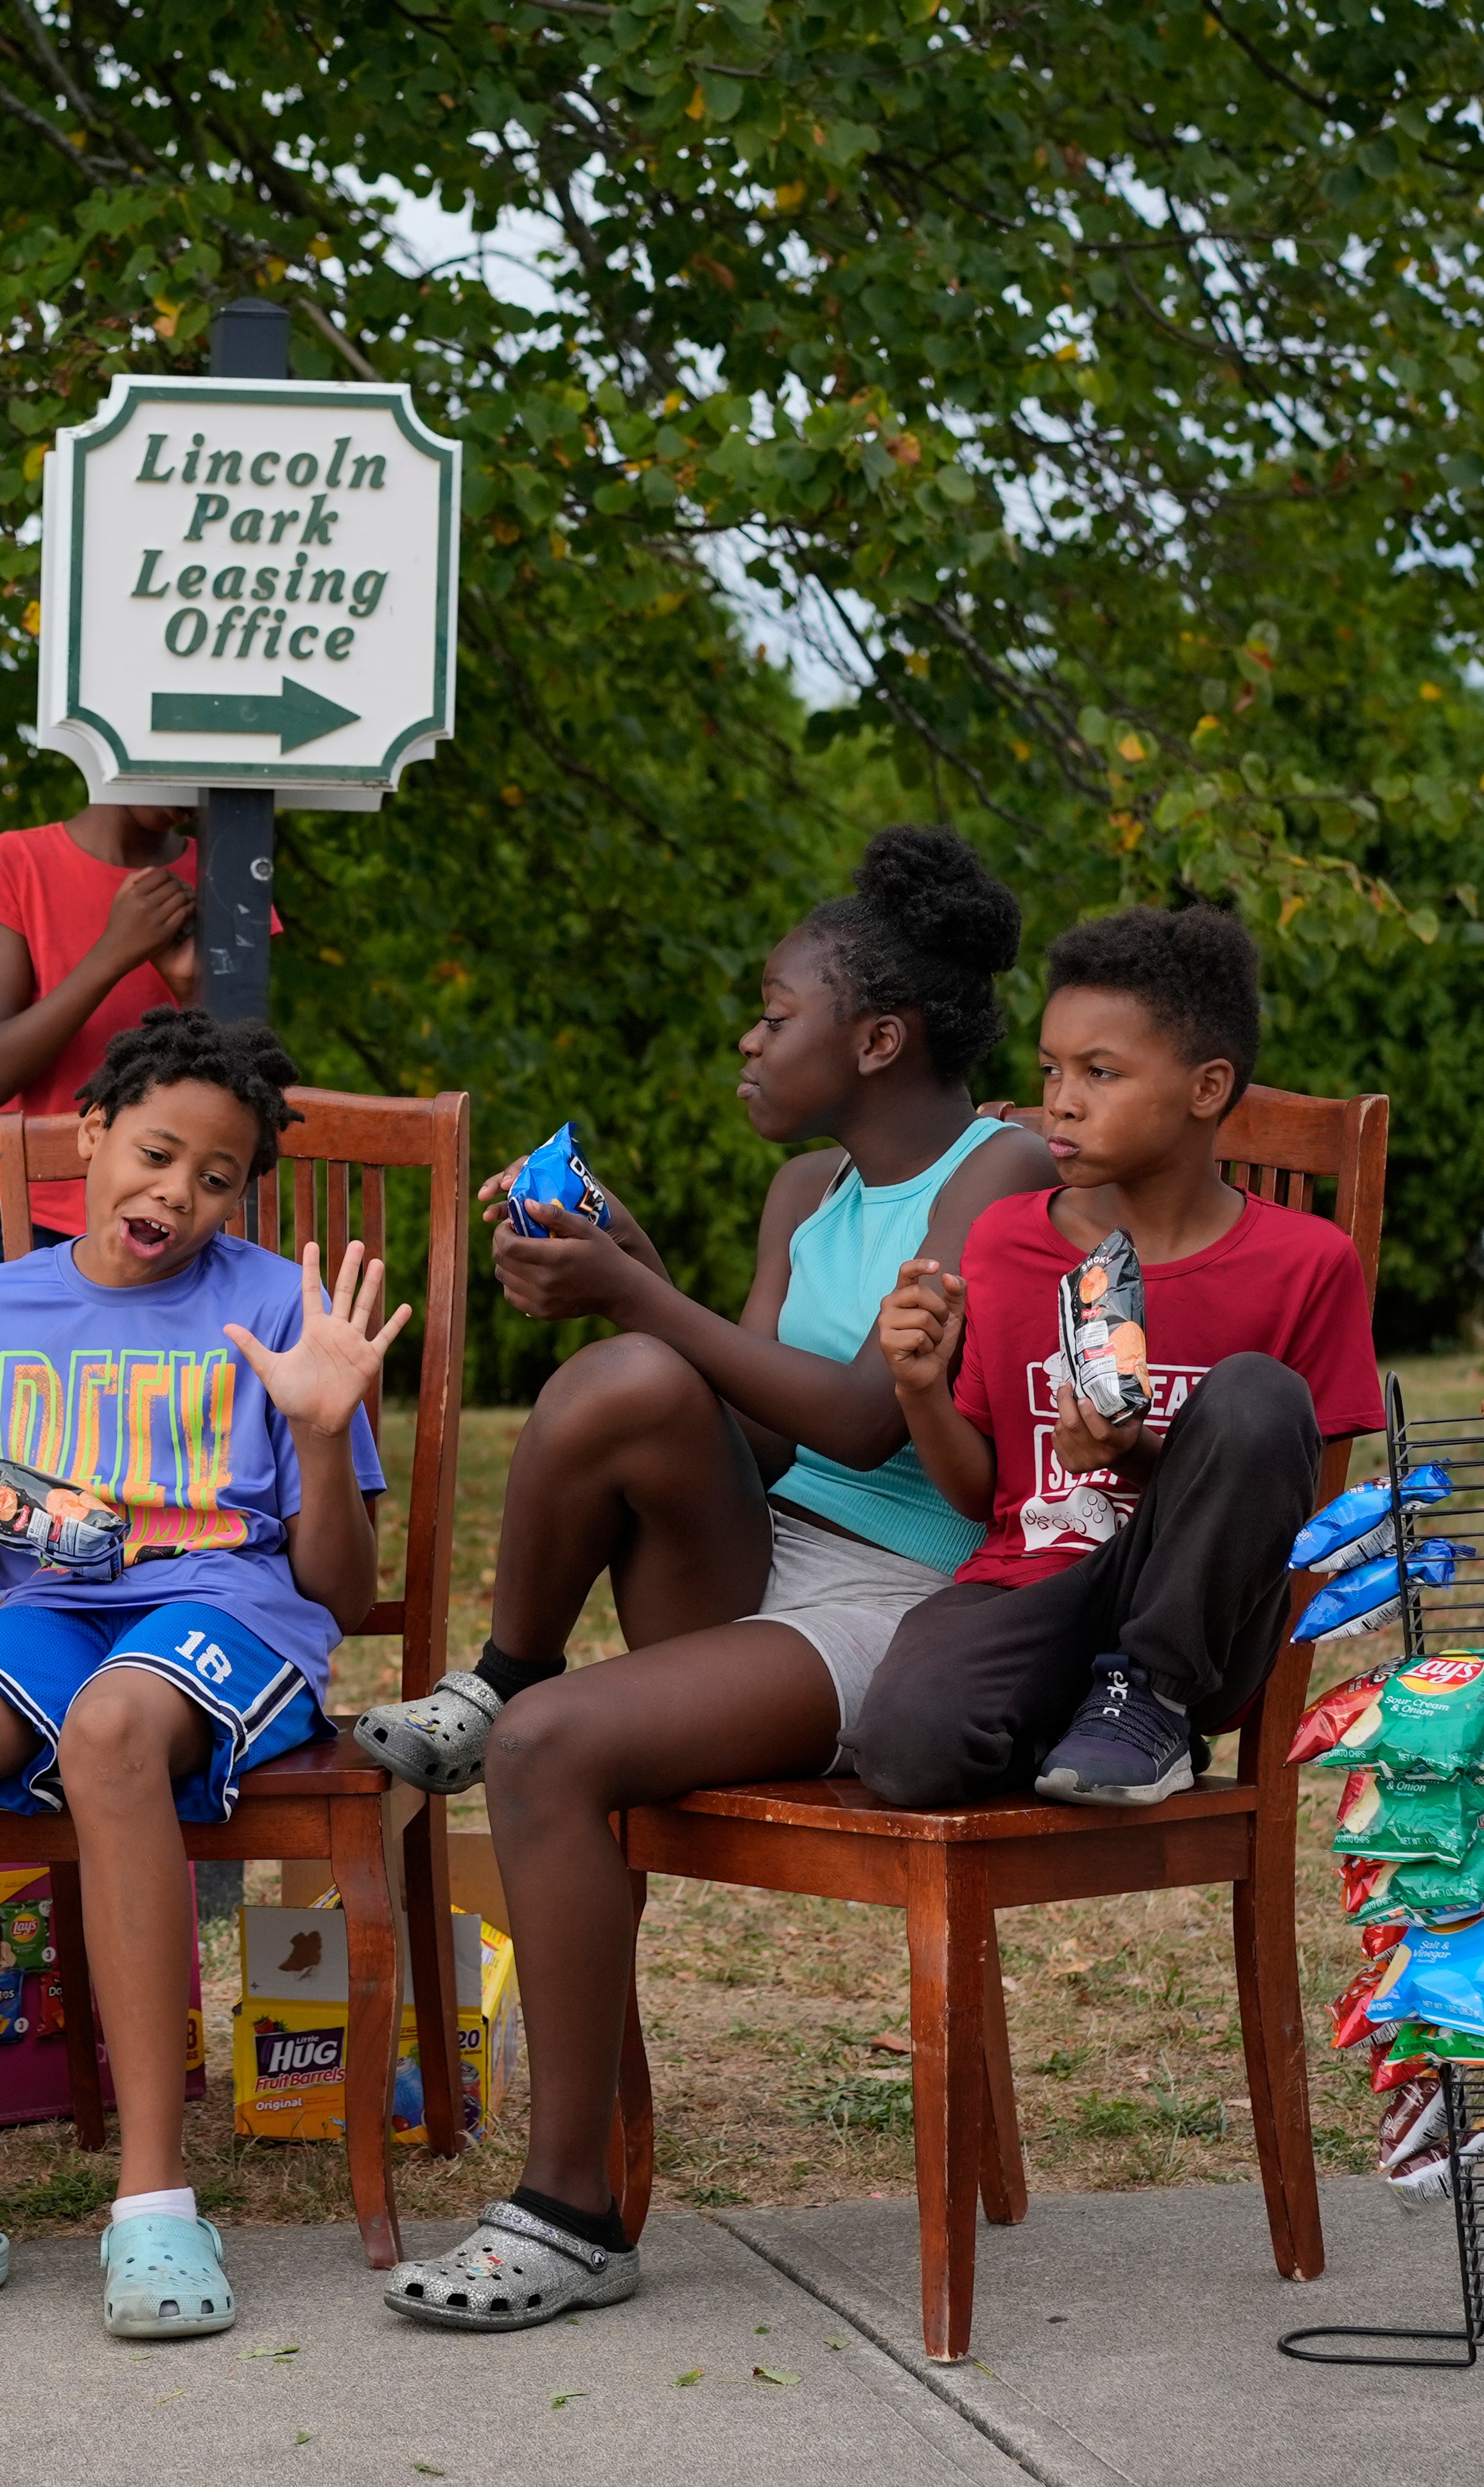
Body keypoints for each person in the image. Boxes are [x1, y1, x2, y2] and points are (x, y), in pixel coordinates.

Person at [365, 827, 1052, 2331]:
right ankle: (508, 1668)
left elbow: (875, 1413)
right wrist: (631, 1268)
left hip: (904, 1606)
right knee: (619, 1376)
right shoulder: (804, 1189)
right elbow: (742, 1417)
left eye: (771, 1014)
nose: (746, 1042)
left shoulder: (997, 1168)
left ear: (878, 1038)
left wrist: (638, 1286)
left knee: (550, 1758)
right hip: (771, 1556)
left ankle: (568, 2216)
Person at [0, 1009, 402, 2343]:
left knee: (115, 1726)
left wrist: (318, 1435)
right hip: (49, 1609)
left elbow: (343, 1591)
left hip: (227, 1607)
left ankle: (153, 2204)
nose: (176, 1193)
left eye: (216, 1175)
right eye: (154, 1152)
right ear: (87, 1135)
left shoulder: (269, 1307)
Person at [858, 902, 1382, 1808]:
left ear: (1206, 1088)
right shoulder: (1005, 1243)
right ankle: (1088, 1723)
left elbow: (1295, 1508)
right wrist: (918, 1389)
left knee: (1258, 1395)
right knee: (903, 1749)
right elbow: (986, 1495)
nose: (1061, 1100)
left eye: (1100, 1072)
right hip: (1036, 1583)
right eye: (1052, 1070)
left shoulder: (1304, 1263)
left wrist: (1137, 1452)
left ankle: (1148, 1702)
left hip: (1202, 1624)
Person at [0, 796, 265, 1258]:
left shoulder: (226, 875)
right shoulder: (14, 863)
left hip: (186, 1218)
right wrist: (113, 954)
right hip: (41, 1220)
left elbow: (252, 1079)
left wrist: (186, 986)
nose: (193, 791)